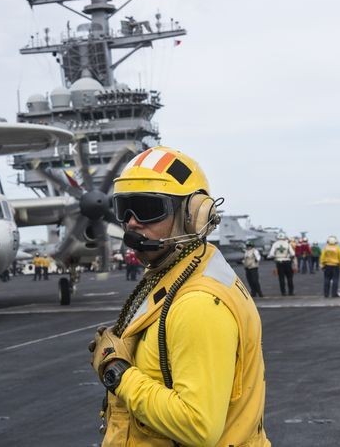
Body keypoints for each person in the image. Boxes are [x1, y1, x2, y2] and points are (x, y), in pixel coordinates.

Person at [88, 146, 270, 446]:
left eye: (147, 209)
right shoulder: (179, 272)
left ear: (193, 217)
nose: (132, 222)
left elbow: (198, 426)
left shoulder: (197, 304)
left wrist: (117, 372)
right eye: (124, 209)